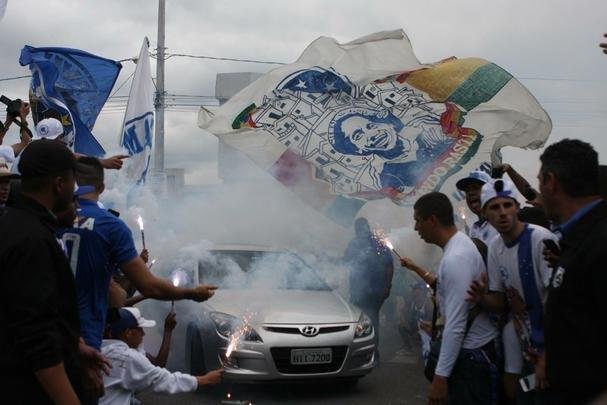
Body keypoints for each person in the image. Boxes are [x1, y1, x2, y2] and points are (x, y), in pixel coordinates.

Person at [58, 157, 218, 351]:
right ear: (101, 187)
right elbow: (149, 287)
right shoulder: (111, 226)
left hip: (45, 335)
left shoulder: (48, 219)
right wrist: (191, 293)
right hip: (87, 335)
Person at [0, 139, 106, 404]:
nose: (75, 189)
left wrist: (73, 347)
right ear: (59, 184)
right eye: (73, 180)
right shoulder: (32, 240)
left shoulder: (15, 224)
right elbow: (36, 338)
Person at [467, 178, 557, 403]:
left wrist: (546, 357)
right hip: (523, 344)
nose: (503, 212)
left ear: (517, 207)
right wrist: (482, 298)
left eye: (507, 205)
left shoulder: (540, 239)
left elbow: (559, 302)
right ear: (486, 214)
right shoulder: (496, 247)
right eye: (495, 207)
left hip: (554, 346)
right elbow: (499, 300)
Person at [409, 192, 498, 404]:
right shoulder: (455, 250)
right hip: (468, 355)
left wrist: (440, 377)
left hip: (471, 358)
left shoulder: (456, 257)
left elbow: (457, 324)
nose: (415, 228)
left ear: (432, 220)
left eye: (418, 221)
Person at [537, 139, 607, 403]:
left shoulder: (600, 243)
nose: (539, 191)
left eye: (540, 181)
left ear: (551, 182)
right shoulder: (577, 239)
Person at [100, 307, 223, 405]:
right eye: (140, 329)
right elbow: (164, 380)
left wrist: (168, 330)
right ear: (128, 333)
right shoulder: (127, 358)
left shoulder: (100, 348)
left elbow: (157, 364)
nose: (143, 334)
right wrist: (205, 379)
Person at [344, 217, 394, 365]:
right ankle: (362, 354)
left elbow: (389, 266)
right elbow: (347, 262)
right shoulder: (354, 244)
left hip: (374, 292)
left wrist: (387, 286)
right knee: (363, 322)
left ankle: (371, 354)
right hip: (359, 291)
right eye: (358, 229)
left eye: (361, 228)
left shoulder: (378, 243)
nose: (360, 232)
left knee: (371, 320)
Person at [10, 117, 128, 175]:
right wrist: (102, 163)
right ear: (60, 137)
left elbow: (70, 155)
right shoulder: (44, 151)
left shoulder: (32, 147)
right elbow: (72, 157)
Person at [456, 170, 499, 244]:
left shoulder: (501, 222)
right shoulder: (474, 229)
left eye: (476, 188)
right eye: (467, 191)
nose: (470, 193)